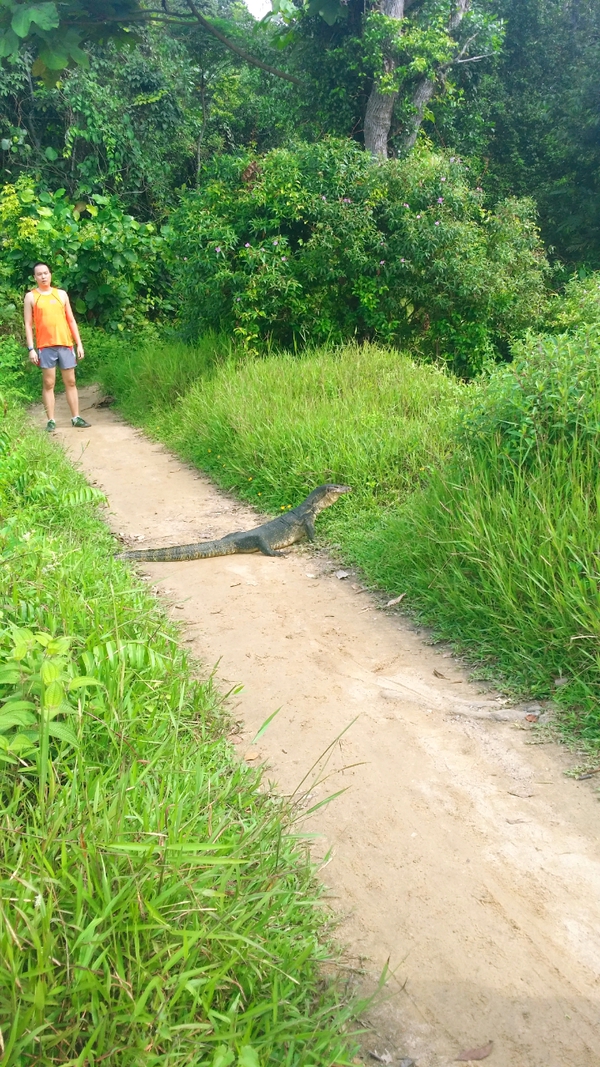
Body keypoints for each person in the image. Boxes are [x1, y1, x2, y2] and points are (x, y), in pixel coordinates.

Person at [24, 262, 91, 432]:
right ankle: (51, 420)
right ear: (35, 277)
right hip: (45, 346)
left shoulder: (61, 295)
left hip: (65, 344)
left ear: (50, 274)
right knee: (48, 383)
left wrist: (79, 344)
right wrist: (31, 348)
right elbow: (28, 323)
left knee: (71, 381)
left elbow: (71, 320)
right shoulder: (31, 297)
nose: (43, 276)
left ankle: (76, 417)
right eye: (39, 274)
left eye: (46, 273)